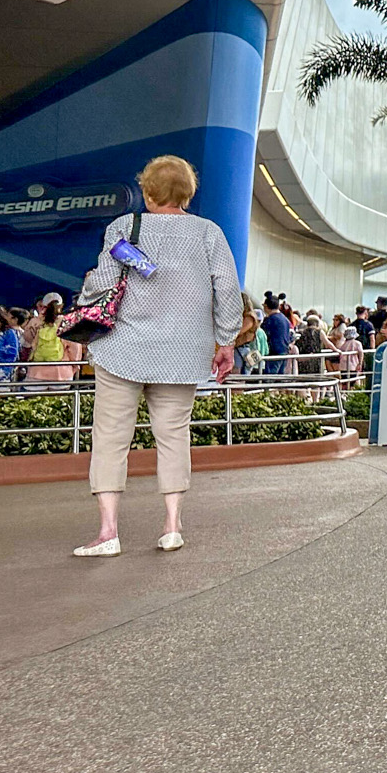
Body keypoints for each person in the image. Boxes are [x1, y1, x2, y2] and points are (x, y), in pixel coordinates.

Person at [74, 154, 242, 557]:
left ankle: (108, 532)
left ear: (147, 191)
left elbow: (99, 286)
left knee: (111, 437)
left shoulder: (123, 227)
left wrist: (86, 296)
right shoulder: (208, 233)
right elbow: (229, 290)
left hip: (122, 351)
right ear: (188, 192)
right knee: (173, 436)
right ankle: (171, 525)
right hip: (181, 354)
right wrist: (225, 342)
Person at [25, 295, 77, 384]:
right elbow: (75, 347)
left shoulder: (34, 322)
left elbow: (28, 340)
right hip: (62, 371)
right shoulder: (68, 322)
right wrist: (75, 366)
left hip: (37, 371)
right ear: (61, 305)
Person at [260, 298, 292, 375]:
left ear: (267, 306)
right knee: (279, 378)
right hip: (284, 351)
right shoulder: (285, 319)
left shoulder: (270, 320)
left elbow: (264, 334)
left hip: (273, 352)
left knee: (269, 378)